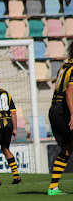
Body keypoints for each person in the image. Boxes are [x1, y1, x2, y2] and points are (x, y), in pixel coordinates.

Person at [47, 41, 73, 196]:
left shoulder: (64, 67)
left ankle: (53, 188)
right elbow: (69, 91)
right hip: (64, 111)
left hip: (54, 109)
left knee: (67, 148)